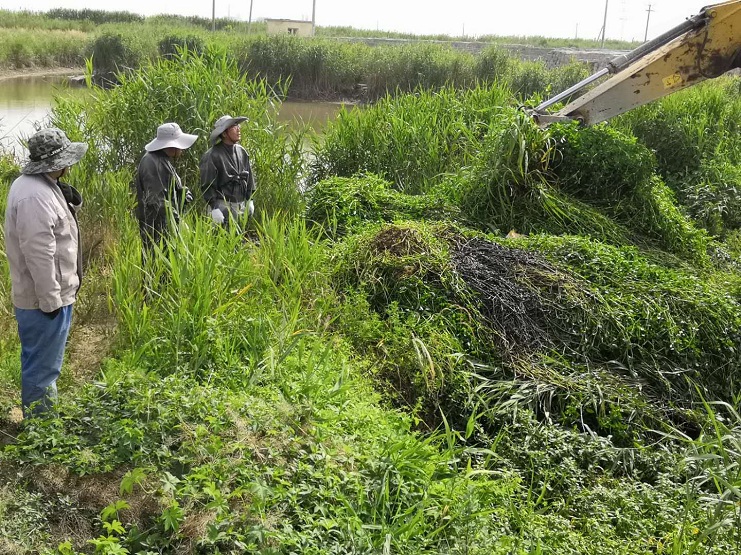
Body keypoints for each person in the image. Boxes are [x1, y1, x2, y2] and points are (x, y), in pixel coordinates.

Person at [4, 128, 88, 417]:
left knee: (43, 364)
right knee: (42, 369)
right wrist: (50, 300)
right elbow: (39, 254)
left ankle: (42, 420)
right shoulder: (34, 196)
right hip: (44, 300)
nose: (70, 165)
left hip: (49, 295)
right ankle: (41, 429)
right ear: (56, 163)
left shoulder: (41, 185)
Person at [133, 122, 198, 255]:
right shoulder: (151, 162)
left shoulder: (162, 159)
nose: (182, 149)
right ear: (171, 145)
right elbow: (158, 201)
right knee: (159, 262)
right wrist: (178, 222)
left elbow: (169, 187)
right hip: (157, 229)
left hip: (165, 226)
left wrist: (182, 192)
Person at [199, 115, 256, 230]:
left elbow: (249, 178)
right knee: (220, 237)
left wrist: (250, 200)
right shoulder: (212, 155)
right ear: (224, 134)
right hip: (221, 206)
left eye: (238, 125)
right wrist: (214, 208)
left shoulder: (242, 152)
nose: (238, 129)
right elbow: (207, 185)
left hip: (240, 206)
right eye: (234, 127)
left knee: (238, 237)